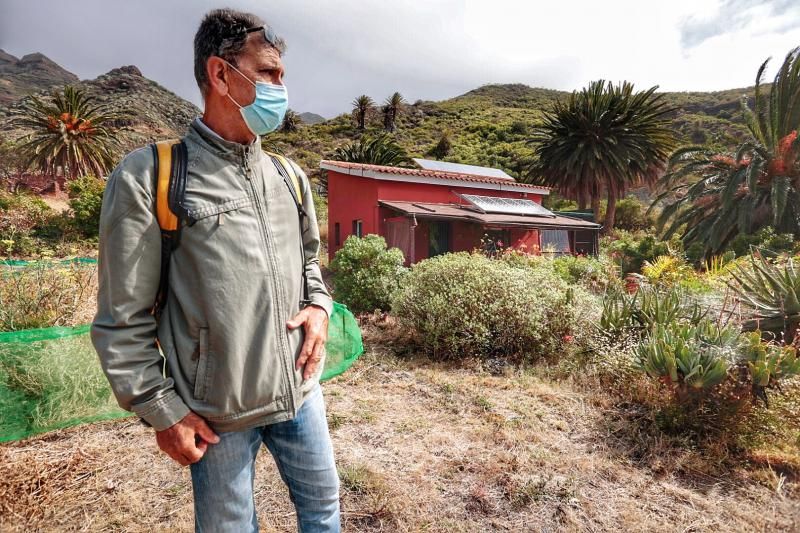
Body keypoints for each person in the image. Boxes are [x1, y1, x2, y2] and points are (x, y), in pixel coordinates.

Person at [90, 8, 340, 532]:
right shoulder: (150, 176)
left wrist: (319, 305)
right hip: (216, 414)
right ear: (221, 74)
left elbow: (309, 262)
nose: (281, 87)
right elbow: (122, 318)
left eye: (282, 76)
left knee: (323, 510)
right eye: (268, 73)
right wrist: (163, 410)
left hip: (301, 391)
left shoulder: (288, 176)